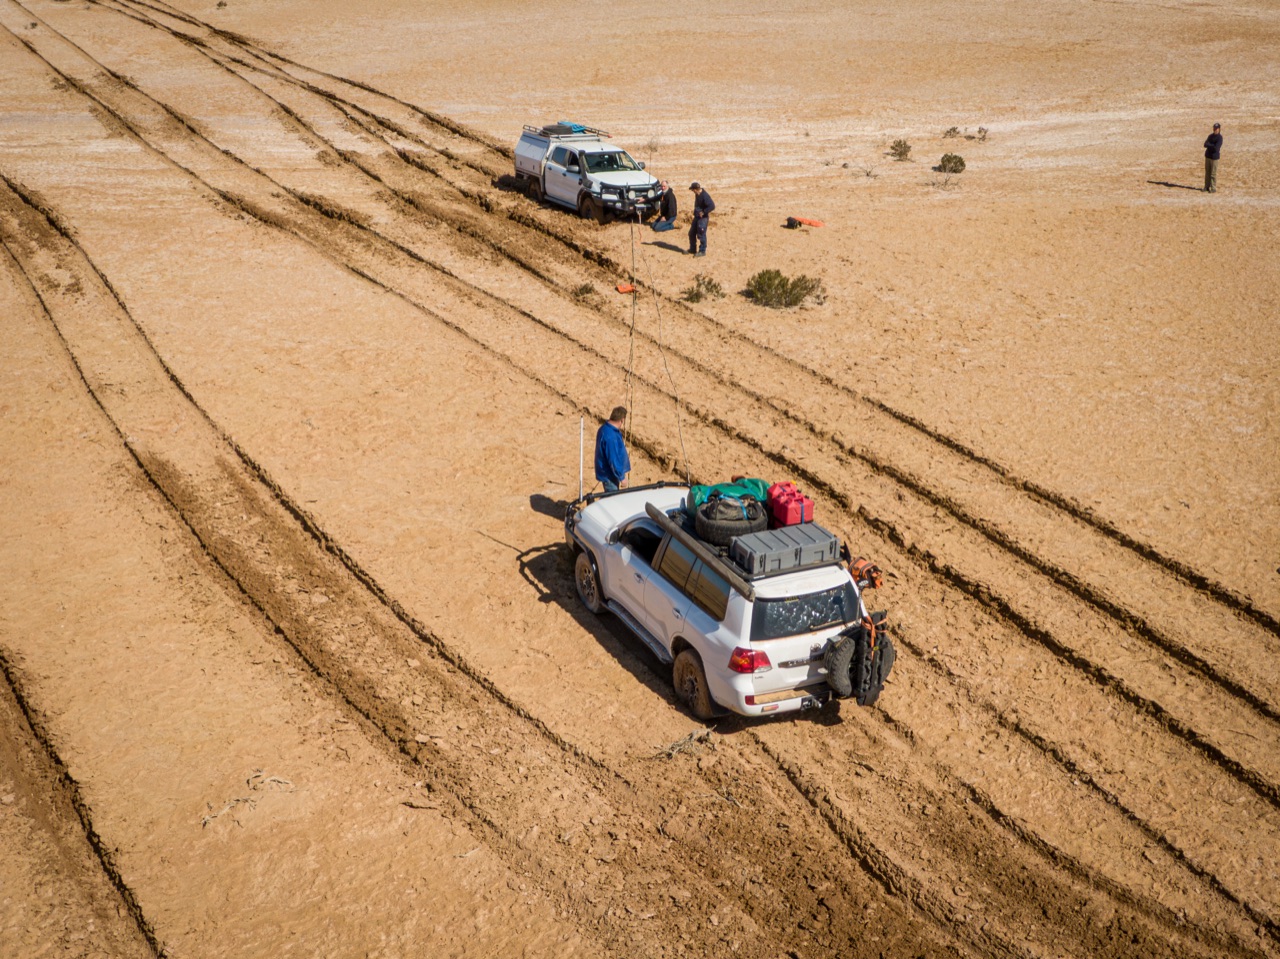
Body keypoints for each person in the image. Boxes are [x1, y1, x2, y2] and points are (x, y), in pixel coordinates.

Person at [594, 406, 631, 492]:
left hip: (608, 473)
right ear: (621, 420)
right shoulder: (611, 437)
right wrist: (622, 478)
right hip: (610, 476)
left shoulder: (604, 429)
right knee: (612, 498)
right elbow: (613, 460)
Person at [687, 182, 715, 257]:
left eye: (693, 190)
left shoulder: (705, 196)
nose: (693, 191)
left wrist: (703, 212)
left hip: (703, 218)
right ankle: (692, 249)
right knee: (691, 233)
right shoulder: (697, 194)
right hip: (697, 217)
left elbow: (712, 206)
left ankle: (702, 251)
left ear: (696, 189)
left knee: (701, 234)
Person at [1204, 123, 1223, 193]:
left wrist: (1210, 145)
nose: (1215, 130)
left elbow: (1216, 148)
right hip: (1208, 156)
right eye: (1214, 128)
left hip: (1215, 158)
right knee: (1207, 173)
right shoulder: (1210, 136)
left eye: (1217, 129)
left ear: (1219, 129)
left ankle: (1213, 188)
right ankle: (1206, 186)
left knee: (1213, 174)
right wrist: (1212, 145)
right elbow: (1205, 144)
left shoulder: (1220, 138)